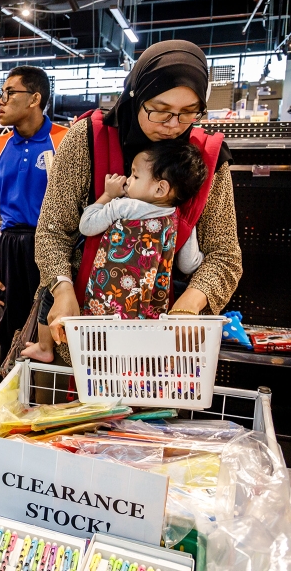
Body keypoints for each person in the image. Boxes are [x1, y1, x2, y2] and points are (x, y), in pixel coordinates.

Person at [36, 40, 241, 365]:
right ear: (135, 95)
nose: (173, 125)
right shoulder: (88, 139)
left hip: (160, 348)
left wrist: (189, 306)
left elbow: (224, 257)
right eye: (160, 110)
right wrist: (62, 290)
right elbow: (52, 231)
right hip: (78, 332)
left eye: (189, 112)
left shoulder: (204, 158)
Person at [23, 140, 208, 363]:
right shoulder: (180, 220)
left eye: (135, 176)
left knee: (48, 292)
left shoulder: (124, 206)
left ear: (160, 188)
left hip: (105, 296)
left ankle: (45, 347)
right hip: (144, 308)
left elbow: (87, 225)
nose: (128, 180)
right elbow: (189, 265)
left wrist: (107, 195)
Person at [0, 66, 67, 355]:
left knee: (55, 328)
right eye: (1, 93)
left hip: (53, 245)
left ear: (34, 98)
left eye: (9, 93)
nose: (0, 101)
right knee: (12, 326)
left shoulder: (65, 141)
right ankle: (9, 395)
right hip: (11, 247)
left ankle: (48, 397)